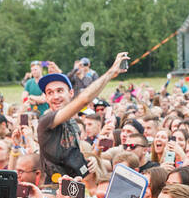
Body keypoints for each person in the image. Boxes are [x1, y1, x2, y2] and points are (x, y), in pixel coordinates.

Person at [36, 51, 129, 180]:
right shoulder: (46, 121)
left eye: (60, 91)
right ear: (46, 98)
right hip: (52, 188)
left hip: (74, 185)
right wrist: (111, 73)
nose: (55, 96)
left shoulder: (73, 123)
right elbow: (84, 99)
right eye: (50, 93)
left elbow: (73, 156)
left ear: (71, 93)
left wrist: (90, 161)